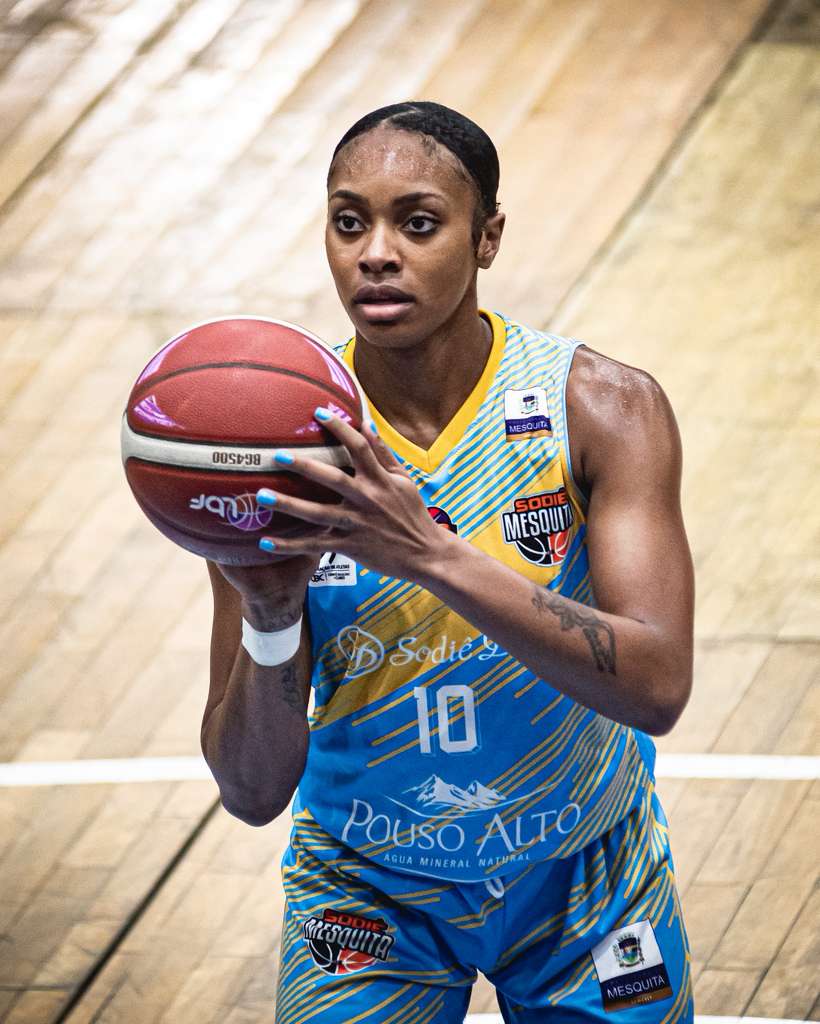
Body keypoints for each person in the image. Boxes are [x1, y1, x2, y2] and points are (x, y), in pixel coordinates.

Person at [203, 101, 695, 1023]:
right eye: (349, 222)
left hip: (586, 876)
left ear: (487, 237)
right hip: (365, 892)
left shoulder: (601, 408)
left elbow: (658, 685)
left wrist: (427, 553)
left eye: (418, 223)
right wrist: (269, 622)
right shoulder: (281, 445)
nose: (376, 253)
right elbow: (252, 791)